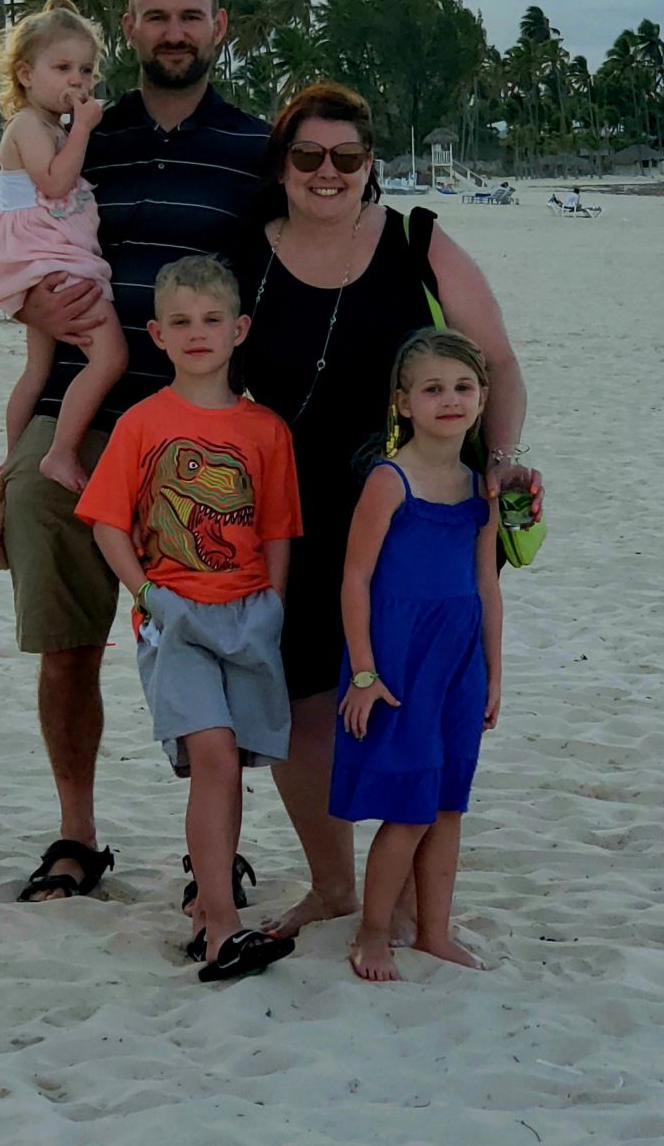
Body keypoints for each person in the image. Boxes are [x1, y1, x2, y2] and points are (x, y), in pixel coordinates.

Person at [0, 0, 270, 908]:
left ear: (218, 29)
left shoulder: (258, 148)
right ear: (129, 30)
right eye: (155, 17)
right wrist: (32, 316)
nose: (174, 32)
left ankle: (211, 853)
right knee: (67, 644)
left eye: (191, 17)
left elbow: (285, 281)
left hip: (199, 432)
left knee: (215, 636)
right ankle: (77, 834)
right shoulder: (76, 130)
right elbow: (22, 242)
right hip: (75, 413)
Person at [235, 80, 538, 941]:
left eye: (347, 157)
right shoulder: (246, 247)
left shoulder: (417, 240)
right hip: (285, 500)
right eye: (307, 156)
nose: (326, 173)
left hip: (410, 498)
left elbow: (501, 362)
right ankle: (334, 885)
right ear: (282, 164)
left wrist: (500, 463)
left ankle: (402, 893)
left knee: (407, 688)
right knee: (301, 692)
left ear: (371, 165)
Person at [78, 255, 303, 983]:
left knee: (231, 766)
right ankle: (224, 929)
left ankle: (210, 903)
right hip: (175, 617)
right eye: (181, 322)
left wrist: (273, 604)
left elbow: (276, 528)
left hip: (248, 616)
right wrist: (146, 595)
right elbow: (108, 522)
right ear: (157, 334)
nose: (197, 333)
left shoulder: (267, 430)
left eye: (212, 320)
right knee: (209, 753)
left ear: (239, 330)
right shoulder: (142, 424)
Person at [333, 330, 505, 982]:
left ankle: (434, 931)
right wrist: (365, 671)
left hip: (459, 665)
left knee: (448, 805)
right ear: (403, 403)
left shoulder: (479, 486)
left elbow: (487, 583)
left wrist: (493, 672)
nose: (450, 400)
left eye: (463, 388)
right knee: (407, 808)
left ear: (482, 397)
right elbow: (354, 578)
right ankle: (372, 933)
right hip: (398, 663)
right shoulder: (390, 478)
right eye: (432, 389)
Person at [0, 0, 129, 495]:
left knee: (39, 368)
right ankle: (58, 452)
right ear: (25, 74)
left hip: (50, 250)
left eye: (85, 69)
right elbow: (56, 185)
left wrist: (75, 130)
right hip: (45, 254)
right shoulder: (28, 127)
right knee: (110, 357)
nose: (77, 81)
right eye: (62, 68)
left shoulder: (53, 128)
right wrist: (82, 129)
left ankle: (11, 464)